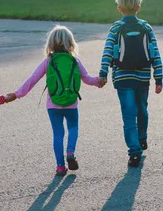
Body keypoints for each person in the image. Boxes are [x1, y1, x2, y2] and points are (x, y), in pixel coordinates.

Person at [8, 25, 100, 176]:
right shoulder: (74, 61)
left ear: (50, 44)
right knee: (73, 128)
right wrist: (99, 81)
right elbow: (88, 79)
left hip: (53, 105)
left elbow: (32, 80)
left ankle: (60, 166)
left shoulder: (48, 62)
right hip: (71, 103)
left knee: (58, 134)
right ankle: (70, 151)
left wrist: (17, 94)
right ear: (70, 43)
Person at [98, 0, 163, 167]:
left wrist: (103, 73)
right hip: (143, 76)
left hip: (122, 77)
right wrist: (159, 77)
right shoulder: (146, 27)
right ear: (138, 7)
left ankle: (134, 152)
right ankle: (142, 138)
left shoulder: (116, 28)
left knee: (128, 115)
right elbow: (155, 52)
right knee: (142, 109)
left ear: (119, 9)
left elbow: (107, 51)